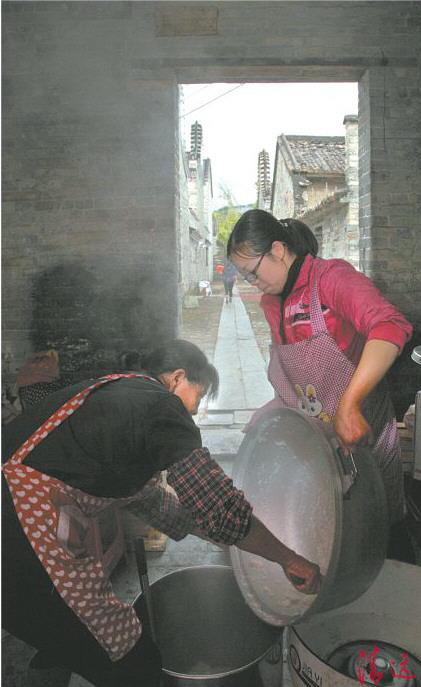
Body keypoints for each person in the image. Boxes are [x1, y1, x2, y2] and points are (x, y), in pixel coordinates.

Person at [2, 339, 321, 687]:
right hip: (18, 527)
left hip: (17, 528)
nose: (195, 412)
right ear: (177, 379)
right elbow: (221, 509)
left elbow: (158, 503)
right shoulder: (160, 405)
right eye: (198, 398)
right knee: (126, 652)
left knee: (59, 636)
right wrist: (288, 559)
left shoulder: (115, 393)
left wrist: (235, 543)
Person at [227, 209, 414, 564]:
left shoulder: (331, 279)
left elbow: (390, 327)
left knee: (381, 527)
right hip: (317, 438)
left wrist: (350, 404)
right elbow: (295, 378)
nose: (253, 282)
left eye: (253, 272)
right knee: (334, 530)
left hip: (361, 434)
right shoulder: (272, 302)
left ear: (278, 250)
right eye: (244, 276)